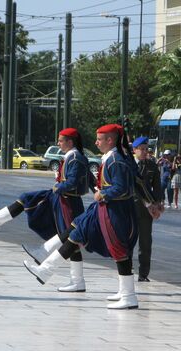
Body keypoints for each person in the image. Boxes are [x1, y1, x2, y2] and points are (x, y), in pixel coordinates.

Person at [23, 123, 140, 309]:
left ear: (110, 140)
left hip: (114, 211)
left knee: (119, 250)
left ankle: (129, 295)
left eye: (100, 139)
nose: (96, 142)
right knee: (76, 232)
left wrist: (103, 194)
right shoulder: (112, 158)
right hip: (103, 208)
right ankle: (45, 269)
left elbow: (122, 188)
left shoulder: (115, 160)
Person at [0, 127, 92, 292]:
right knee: (28, 200)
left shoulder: (76, 158)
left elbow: (73, 182)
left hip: (67, 201)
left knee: (71, 239)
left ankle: (73, 278)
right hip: (63, 199)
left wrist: (60, 187)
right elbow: (89, 180)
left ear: (70, 142)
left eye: (61, 140)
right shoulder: (73, 157)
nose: (58, 143)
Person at [132, 136, 163, 282]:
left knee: (145, 243)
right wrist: (147, 203)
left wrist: (159, 202)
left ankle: (143, 274)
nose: (145, 152)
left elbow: (157, 186)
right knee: (127, 241)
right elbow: (132, 188)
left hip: (146, 212)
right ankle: (125, 271)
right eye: (142, 149)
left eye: (146, 149)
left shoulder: (151, 165)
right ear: (135, 150)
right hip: (130, 209)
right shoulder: (129, 165)